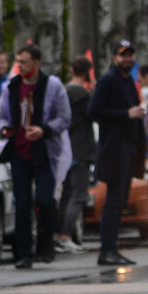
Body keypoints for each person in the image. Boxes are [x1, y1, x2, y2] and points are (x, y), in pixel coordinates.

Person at [0, 43, 72, 268]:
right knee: (22, 203)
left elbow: (65, 117)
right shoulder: (11, 87)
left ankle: (46, 246)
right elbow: (0, 115)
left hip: (45, 153)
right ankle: (23, 253)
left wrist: (44, 129)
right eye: (17, 61)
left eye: (24, 62)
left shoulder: (52, 85)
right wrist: (5, 128)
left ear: (36, 63)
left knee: (45, 200)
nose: (19, 66)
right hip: (19, 152)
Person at [89, 40, 146, 266]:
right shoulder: (108, 80)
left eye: (130, 55)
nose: (127, 59)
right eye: (123, 55)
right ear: (114, 57)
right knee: (113, 201)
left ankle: (112, 248)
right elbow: (94, 110)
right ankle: (107, 250)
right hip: (114, 151)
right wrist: (126, 114)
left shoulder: (128, 80)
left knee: (120, 200)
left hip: (128, 150)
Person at [55, 56, 95, 254]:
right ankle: (65, 235)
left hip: (65, 149)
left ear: (71, 70)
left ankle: (59, 235)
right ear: (88, 72)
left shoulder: (62, 93)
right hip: (82, 149)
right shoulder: (85, 97)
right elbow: (94, 115)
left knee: (66, 195)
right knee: (79, 195)